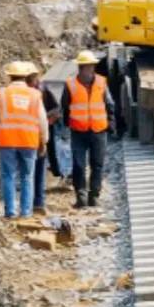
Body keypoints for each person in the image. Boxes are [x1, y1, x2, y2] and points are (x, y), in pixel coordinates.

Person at [0, 61, 48, 220]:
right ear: (25, 76)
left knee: (8, 176)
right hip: (29, 141)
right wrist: (44, 140)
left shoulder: (3, 94)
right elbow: (42, 120)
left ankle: (10, 211)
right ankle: (26, 212)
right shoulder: (34, 95)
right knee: (27, 177)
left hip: (7, 141)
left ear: (10, 77)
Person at [61, 50, 115, 208]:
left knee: (97, 164)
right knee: (79, 165)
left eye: (92, 66)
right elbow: (65, 106)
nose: (91, 69)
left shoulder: (101, 82)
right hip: (78, 131)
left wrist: (111, 122)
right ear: (81, 67)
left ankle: (94, 196)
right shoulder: (70, 84)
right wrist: (67, 124)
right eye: (88, 66)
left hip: (98, 130)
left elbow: (109, 103)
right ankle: (81, 197)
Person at [26, 65, 61, 216]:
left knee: (36, 169)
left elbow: (56, 109)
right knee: (32, 170)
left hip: (40, 133)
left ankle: (37, 202)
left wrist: (48, 120)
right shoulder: (29, 92)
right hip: (30, 135)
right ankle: (35, 202)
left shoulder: (43, 90)